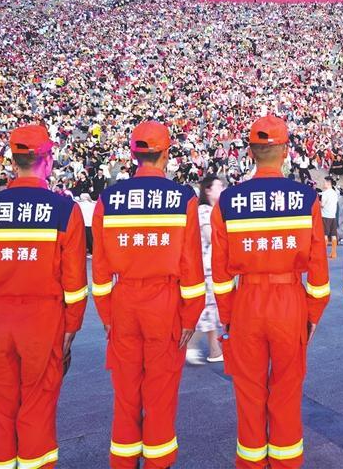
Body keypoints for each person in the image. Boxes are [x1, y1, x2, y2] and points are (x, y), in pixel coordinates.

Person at [0, 124, 88, 469]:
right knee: (37, 407)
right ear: (47, 160)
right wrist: (70, 329)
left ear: (13, 162)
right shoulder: (64, 210)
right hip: (44, 322)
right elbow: (74, 284)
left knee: (2, 412)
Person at [211, 115, 329, 469]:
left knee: (248, 393)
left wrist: (228, 317)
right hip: (289, 301)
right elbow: (319, 271)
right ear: (286, 151)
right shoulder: (305, 198)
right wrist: (312, 315)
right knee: (287, 391)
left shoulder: (229, 200)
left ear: (250, 152)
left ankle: (250, 462)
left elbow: (220, 274)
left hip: (246, 303)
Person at [91, 121, 205, 469]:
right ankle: (158, 461)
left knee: (126, 393)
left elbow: (100, 269)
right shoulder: (183, 199)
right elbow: (190, 267)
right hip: (164, 305)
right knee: (160, 391)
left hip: (123, 303)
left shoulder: (108, 200)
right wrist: (190, 316)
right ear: (166, 154)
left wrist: (107, 314)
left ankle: (123, 461)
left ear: (133, 154)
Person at [187, 174, 226, 365]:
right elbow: (211, 237)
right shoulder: (204, 211)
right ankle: (190, 345)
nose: (222, 189)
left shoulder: (211, 210)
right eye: (219, 186)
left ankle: (214, 350)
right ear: (208, 190)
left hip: (210, 267)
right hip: (206, 268)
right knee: (206, 309)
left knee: (210, 309)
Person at [320, 177, 339, 259]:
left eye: (324, 182)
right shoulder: (335, 193)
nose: (323, 183)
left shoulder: (325, 193)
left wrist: (318, 202)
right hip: (333, 216)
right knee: (333, 235)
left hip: (325, 216)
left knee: (325, 235)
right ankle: (334, 253)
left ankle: (323, 253)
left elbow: (322, 205)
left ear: (328, 183)